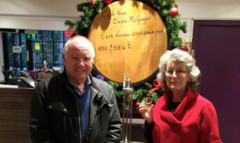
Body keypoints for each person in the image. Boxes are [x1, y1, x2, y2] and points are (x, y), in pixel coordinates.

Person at [29, 36, 122, 143]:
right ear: (64, 58)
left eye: (86, 58)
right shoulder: (44, 89)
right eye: (75, 57)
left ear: (93, 60)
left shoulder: (107, 90)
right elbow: (38, 131)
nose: (81, 64)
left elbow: (115, 128)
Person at [139, 49, 222, 143]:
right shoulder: (159, 104)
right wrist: (150, 122)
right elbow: (152, 140)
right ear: (164, 75)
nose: (174, 76)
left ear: (189, 76)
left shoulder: (204, 107)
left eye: (180, 71)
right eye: (170, 71)